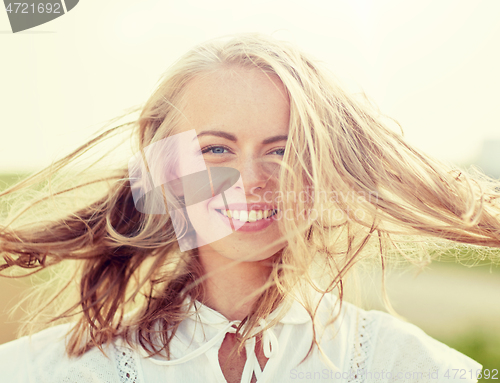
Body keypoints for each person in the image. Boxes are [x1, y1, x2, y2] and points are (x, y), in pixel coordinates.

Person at [1, 33, 498, 383]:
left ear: (324, 168)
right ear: (166, 167)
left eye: (283, 150)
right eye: (216, 149)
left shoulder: (408, 365)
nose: (253, 183)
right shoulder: (45, 370)